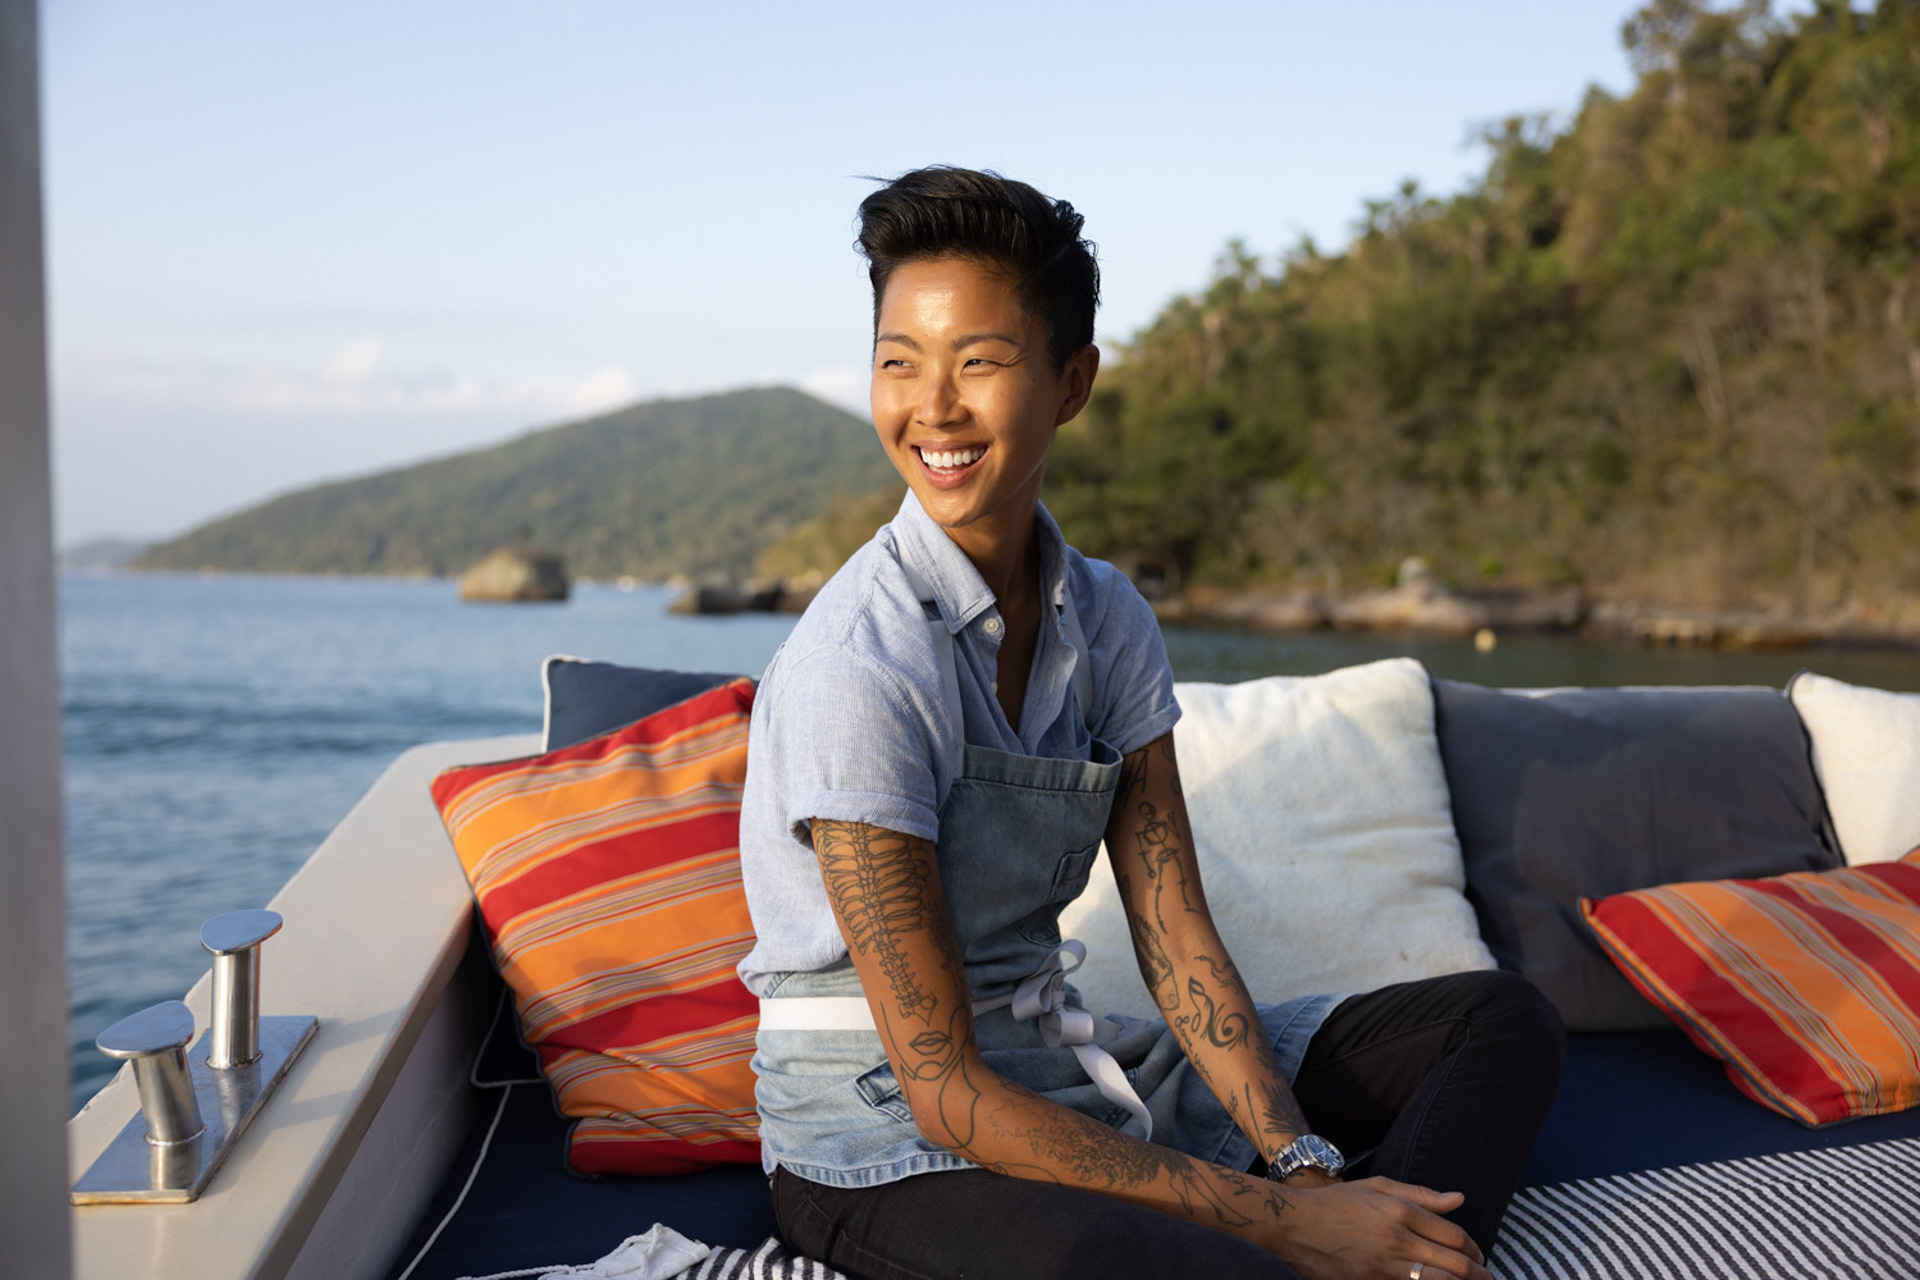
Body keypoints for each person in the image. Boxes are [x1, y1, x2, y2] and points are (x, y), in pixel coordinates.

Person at [737, 166, 1563, 1280]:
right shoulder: (861, 663)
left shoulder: (1108, 616)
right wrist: (1271, 1220)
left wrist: (1306, 1170)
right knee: (1121, 1259)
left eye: (978, 360)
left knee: (1497, 1022)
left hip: (1059, 1059)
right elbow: (940, 1084)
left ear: (1071, 381)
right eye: (898, 362)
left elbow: (1177, 943)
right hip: (884, 1132)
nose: (930, 406)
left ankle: (1380, 1251)